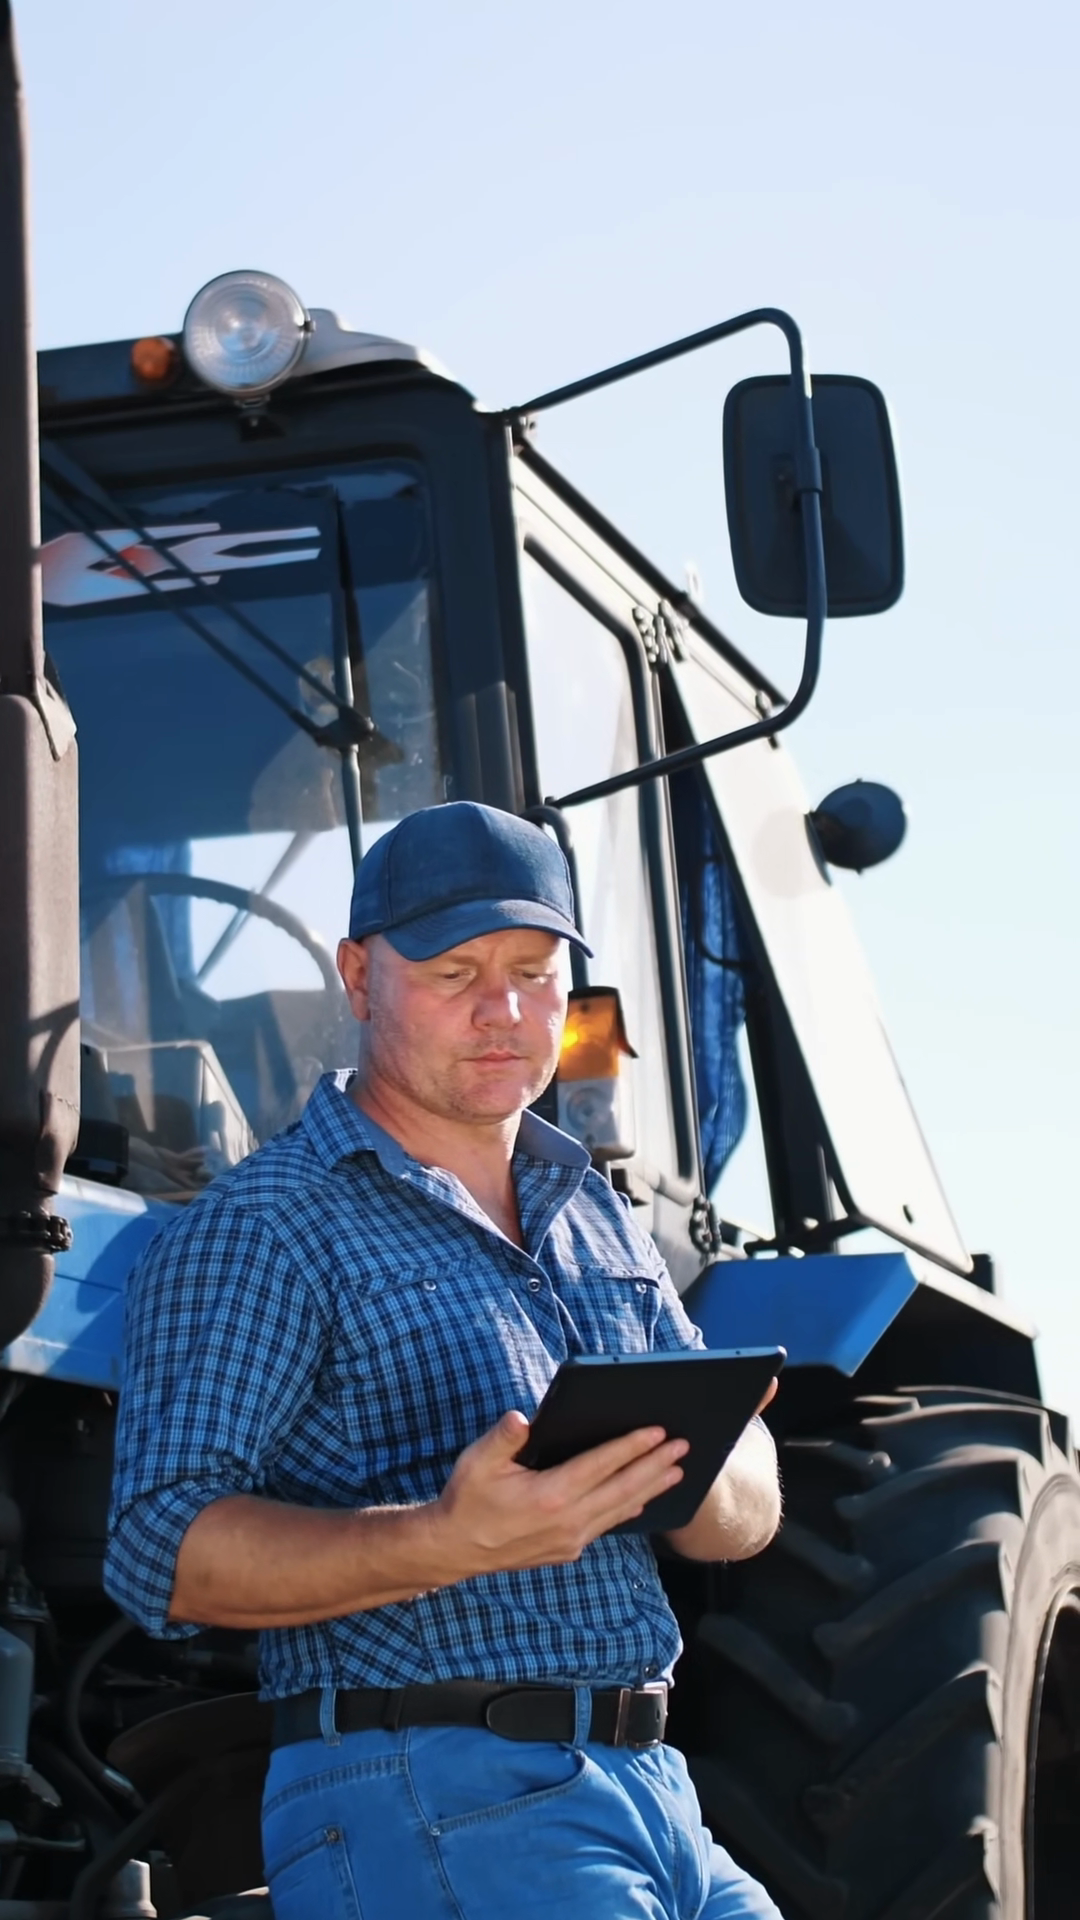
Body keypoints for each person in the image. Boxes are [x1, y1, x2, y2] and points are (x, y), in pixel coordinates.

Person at [106, 801, 784, 1920]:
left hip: (658, 1796)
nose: (503, 1010)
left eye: (534, 972)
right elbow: (155, 1551)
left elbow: (740, 1508)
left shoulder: (598, 1218)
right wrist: (446, 1540)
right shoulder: (265, 1224)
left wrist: (705, 1468)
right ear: (358, 977)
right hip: (431, 1788)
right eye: (455, 972)